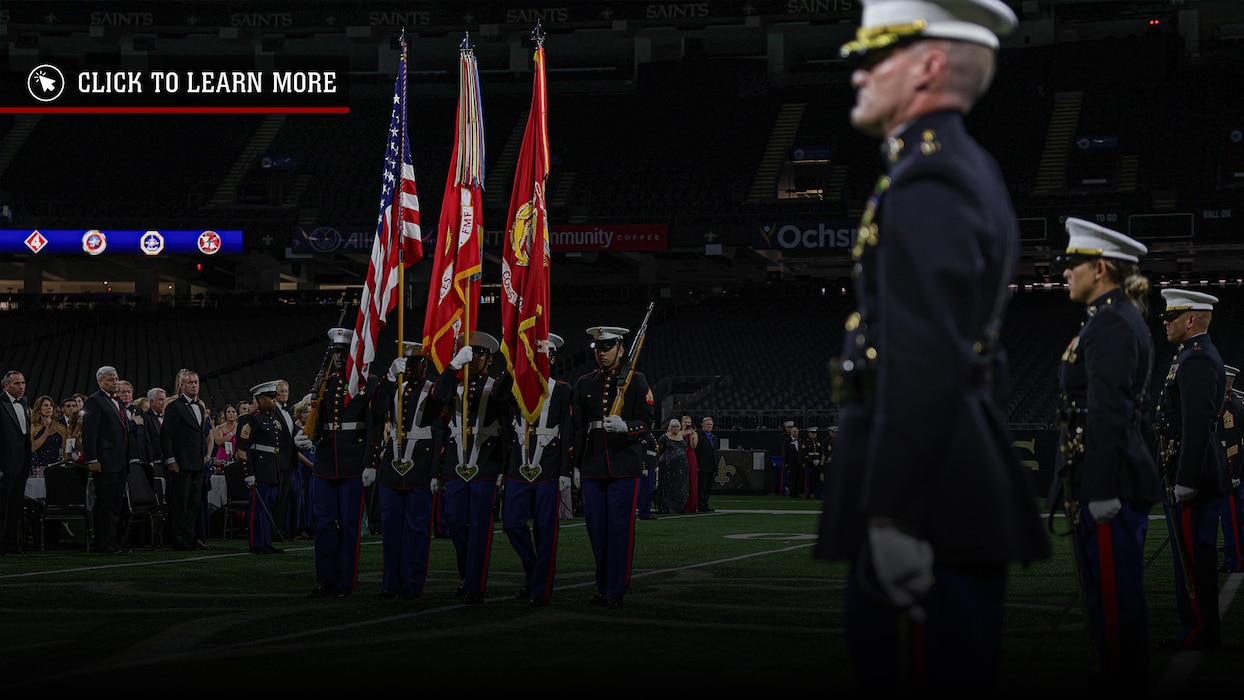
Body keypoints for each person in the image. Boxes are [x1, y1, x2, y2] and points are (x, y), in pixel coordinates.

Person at [814, 0, 1050, 690]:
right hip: (949, 485)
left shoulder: (931, 176)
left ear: (929, 66)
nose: (857, 74)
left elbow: (928, 354)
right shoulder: (951, 167)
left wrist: (894, 514)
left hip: (928, 509)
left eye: (875, 55)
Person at [1045, 219, 1161, 687]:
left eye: (1073, 265)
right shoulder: (1109, 317)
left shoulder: (1112, 321)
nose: (1065, 274)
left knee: (1115, 606)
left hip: (1109, 477)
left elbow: (1109, 408)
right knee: (1107, 603)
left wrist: (1103, 484)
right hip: (1100, 472)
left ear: (1100, 268)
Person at [1155, 288, 1231, 650]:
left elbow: (1197, 424)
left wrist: (1185, 479)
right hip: (1190, 467)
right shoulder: (1189, 355)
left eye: (1172, 317)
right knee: (1189, 555)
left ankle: (1200, 629)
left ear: (1190, 320)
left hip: (1194, 474)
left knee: (1193, 557)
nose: (1166, 322)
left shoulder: (1196, 358)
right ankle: (1196, 626)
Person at [422, 331, 510, 604]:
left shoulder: (496, 386)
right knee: (456, 524)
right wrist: (453, 366)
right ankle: (467, 575)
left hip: (485, 464)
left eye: (479, 353)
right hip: (456, 466)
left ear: (489, 359)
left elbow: (506, 423)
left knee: (480, 528)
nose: (474, 358)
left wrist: (504, 470)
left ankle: (475, 583)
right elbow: (435, 402)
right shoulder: (455, 385)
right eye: (469, 353)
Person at [572, 325, 654, 609]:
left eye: (607, 348)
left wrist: (627, 427)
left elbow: (646, 423)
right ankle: (603, 585)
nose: (602, 354)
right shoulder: (584, 383)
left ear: (620, 349)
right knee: (597, 531)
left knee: (619, 530)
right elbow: (579, 428)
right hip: (594, 465)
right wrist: (576, 465)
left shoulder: (637, 381)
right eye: (598, 348)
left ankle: (616, 589)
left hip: (623, 466)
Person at [497, 333, 575, 606]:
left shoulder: (563, 389)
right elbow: (497, 394)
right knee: (512, 523)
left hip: (550, 467)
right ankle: (534, 573)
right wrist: (512, 363)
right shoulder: (516, 385)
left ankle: (540, 588)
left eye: (543, 356)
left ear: (552, 359)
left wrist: (566, 470)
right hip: (519, 465)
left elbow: (568, 430)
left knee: (545, 530)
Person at [307, 328, 383, 599]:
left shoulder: (369, 383)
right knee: (324, 523)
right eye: (336, 352)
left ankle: (346, 580)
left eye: (344, 352)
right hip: (326, 462)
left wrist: (371, 462)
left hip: (353, 462)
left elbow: (374, 426)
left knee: (350, 525)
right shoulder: (325, 383)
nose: (339, 357)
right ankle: (326, 579)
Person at [370, 341, 442, 600]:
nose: (409, 367)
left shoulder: (432, 390)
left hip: (420, 464)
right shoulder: (395, 388)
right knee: (391, 529)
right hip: (393, 463)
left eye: (414, 363)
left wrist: (435, 471)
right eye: (406, 362)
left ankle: (412, 584)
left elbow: (439, 432)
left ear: (424, 365)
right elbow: (378, 409)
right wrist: (389, 378)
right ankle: (390, 583)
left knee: (417, 530)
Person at [82, 365, 131, 554]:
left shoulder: (117, 402)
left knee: (116, 504)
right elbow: (89, 433)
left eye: (116, 379)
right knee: (105, 504)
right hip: (105, 461)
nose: (115, 382)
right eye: (111, 379)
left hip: (119, 462)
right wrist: (92, 458)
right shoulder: (95, 401)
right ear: (100, 381)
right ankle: (102, 543)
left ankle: (113, 541)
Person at [161, 369, 211, 552]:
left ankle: (190, 538)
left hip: (197, 464)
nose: (194, 385)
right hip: (181, 464)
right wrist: (170, 459)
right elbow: (166, 436)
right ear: (181, 385)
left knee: (193, 503)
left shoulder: (199, 407)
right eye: (190, 382)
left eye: (196, 382)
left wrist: (205, 456)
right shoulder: (174, 406)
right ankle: (178, 539)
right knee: (180, 503)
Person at [236, 381, 286, 555]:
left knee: (268, 508)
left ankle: (266, 542)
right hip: (259, 469)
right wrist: (248, 473)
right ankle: (256, 544)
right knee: (258, 509)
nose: (274, 400)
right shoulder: (253, 418)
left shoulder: (272, 418)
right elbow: (243, 446)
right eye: (270, 397)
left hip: (272, 468)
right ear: (260, 399)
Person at [0, 371, 31, 554]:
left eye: (23, 383)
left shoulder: (24, 403)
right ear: (6, 386)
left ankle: (10, 543)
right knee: (2, 507)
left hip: (22, 465)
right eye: (17, 383)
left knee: (15, 506)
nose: (21, 387)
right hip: (4, 466)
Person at [1221, 364, 1244, 573]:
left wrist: (1233, 472)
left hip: (1229, 468)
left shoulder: (1228, 404)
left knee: (1231, 517)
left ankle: (1235, 560)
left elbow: (1232, 441)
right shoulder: (1233, 401)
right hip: (1234, 466)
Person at [655, 418, 690, 515]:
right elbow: (659, 450)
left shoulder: (683, 438)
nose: (675, 428)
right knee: (667, 486)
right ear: (669, 428)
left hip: (681, 467)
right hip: (667, 466)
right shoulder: (664, 437)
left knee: (680, 486)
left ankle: (679, 507)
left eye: (677, 426)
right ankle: (666, 507)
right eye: (673, 426)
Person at [29, 394, 67, 477]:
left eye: (51, 405)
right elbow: (32, 448)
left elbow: (65, 451)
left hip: (57, 466)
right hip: (37, 467)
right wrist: (46, 434)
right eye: (45, 405)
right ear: (39, 409)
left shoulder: (61, 428)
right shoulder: (33, 428)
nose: (49, 407)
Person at [694, 415, 719, 512]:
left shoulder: (714, 437)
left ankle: (706, 504)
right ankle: (701, 505)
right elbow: (697, 452)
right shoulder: (699, 436)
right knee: (702, 486)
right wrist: (698, 465)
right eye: (707, 424)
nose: (709, 426)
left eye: (711, 424)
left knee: (708, 486)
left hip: (711, 466)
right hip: (703, 466)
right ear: (703, 425)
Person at [209, 405, 239, 475]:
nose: (231, 413)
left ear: (237, 414)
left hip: (237, 455)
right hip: (222, 456)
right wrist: (232, 433)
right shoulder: (220, 428)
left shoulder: (241, 426)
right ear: (225, 415)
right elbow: (219, 442)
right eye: (228, 412)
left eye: (233, 412)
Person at [782, 424, 804, 499]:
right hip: (791, 463)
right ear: (791, 432)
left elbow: (803, 452)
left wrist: (803, 462)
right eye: (794, 432)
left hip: (800, 463)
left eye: (797, 432)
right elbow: (785, 452)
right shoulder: (787, 441)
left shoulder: (801, 441)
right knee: (792, 478)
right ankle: (792, 492)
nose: (795, 433)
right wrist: (786, 462)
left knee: (799, 479)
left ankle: (797, 492)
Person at [802, 426, 825, 500]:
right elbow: (805, 453)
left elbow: (821, 452)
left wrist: (818, 460)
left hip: (817, 464)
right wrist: (812, 461)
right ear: (809, 433)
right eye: (812, 433)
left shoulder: (818, 442)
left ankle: (817, 494)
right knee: (808, 480)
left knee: (817, 480)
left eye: (815, 433)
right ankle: (807, 494)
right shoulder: (805, 442)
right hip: (809, 464)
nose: (814, 434)